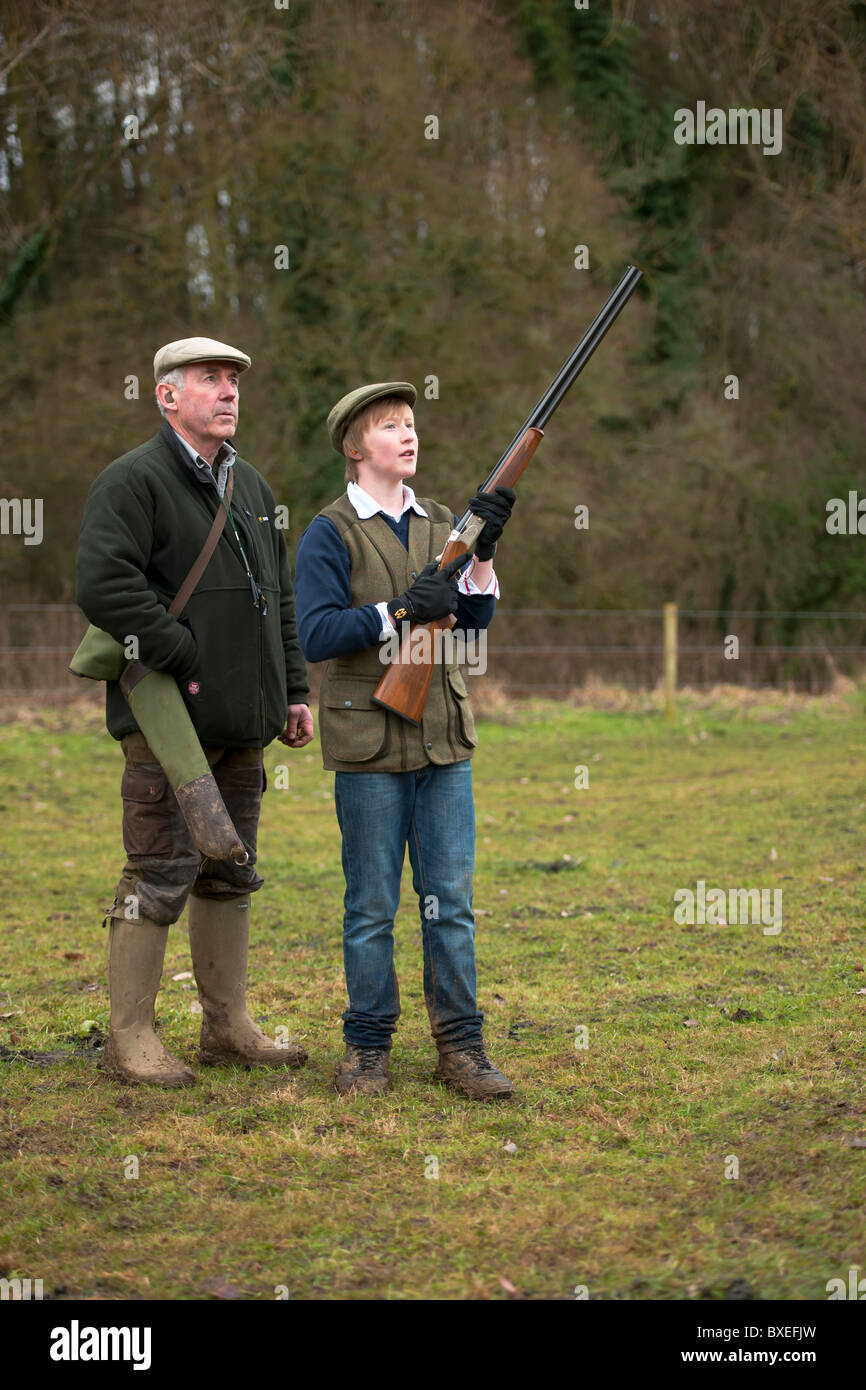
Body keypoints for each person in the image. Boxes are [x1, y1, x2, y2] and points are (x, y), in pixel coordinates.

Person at [75, 336, 313, 1087]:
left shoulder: (258, 491)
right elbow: (103, 584)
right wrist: (178, 648)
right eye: (210, 379)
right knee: (160, 869)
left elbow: (279, 602)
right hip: (166, 722)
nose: (228, 391)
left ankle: (227, 1027)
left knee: (231, 871)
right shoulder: (131, 481)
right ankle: (131, 1039)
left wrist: (293, 692)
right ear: (167, 396)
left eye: (234, 380)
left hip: (247, 722)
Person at [294, 381, 516, 1099]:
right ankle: (367, 1050)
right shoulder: (329, 532)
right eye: (390, 427)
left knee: (449, 900)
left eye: (411, 424)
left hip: (445, 743)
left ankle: (462, 1046)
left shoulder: (444, 522)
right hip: (367, 747)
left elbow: (474, 622)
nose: (408, 435)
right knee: (370, 907)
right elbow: (319, 633)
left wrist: (483, 554)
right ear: (357, 449)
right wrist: (395, 611)